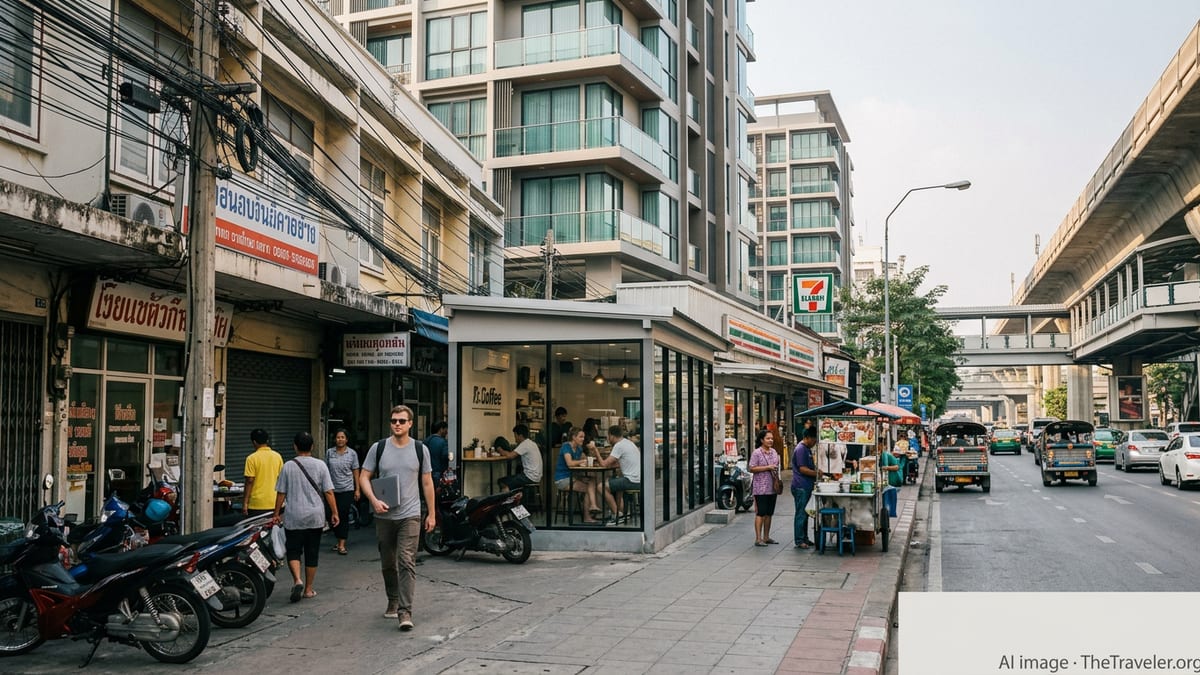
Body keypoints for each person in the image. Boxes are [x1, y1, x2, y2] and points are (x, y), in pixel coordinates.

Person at [358, 405, 436, 631]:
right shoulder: (378, 448)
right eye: (394, 421)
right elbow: (364, 477)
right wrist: (373, 500)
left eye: (402, 421)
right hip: (383, 515)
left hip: (410, 515)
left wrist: (431, 513)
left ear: (411, 424)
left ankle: (405, 611)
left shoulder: (421, 449)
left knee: (406, 561)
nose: (397, 424)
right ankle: (392, 598)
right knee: (387, 563)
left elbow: (427, 482)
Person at [274, 432, 338, 603]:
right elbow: (329, 492)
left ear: (295, 446)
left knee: (293, 550)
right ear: (312, 447)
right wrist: (335, 512)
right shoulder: (320, 465)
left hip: (294, 515)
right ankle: (308, 589)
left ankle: (297, 579)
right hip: (315, 516)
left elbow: (281, 492)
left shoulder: (288, 466)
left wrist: (276, 514)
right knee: (312, 551)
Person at [553, 427, 602, 524]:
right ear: (573, 437)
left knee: (592, 480)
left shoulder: (579, 448)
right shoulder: (566, 446)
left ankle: (593, 505)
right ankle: (588, 516)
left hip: (573, 477)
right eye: (581, 437)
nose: (583, 439)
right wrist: (582, 461)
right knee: (589, 488)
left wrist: (592, 451)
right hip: (562, 479)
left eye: (583, 437)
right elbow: (570, 463)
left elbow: (586, 458)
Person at [324, 428, 360, 555]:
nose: (340, 439)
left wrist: (357, 489)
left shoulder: (352, 454)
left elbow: (356, 471)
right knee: (330, 514)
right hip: (331, 490)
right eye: (338, 437)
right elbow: (325, 470)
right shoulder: (329, 453)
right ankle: (339, 537)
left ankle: (341, 544)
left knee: (343, 515)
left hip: (347, 489)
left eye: (342, 437)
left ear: (347, 439)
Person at [599, 425, 640, 520]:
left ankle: (617, 513)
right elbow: (620, 462)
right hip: (639, 479)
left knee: (601, 487)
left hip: (631, 481)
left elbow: (604, 464)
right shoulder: (628, 443)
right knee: (617, 486)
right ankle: (623, 513)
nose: (607, 439)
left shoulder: (619, 446)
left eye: (608, 436)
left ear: (612, 436)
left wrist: (595, 451)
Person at [749, 429, 782, 546]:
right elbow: (751, 468)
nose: (770, 440)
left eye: (771, 438)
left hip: (772, 486)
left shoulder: (774, 452)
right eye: (768, 438)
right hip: (760, 487)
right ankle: (758, 539)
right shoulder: (757, 453)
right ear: (762, 440)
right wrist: (767, 467)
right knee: (761, 513)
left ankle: (766, 537)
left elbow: (776, 467)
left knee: (769, 513)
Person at [243, 428, 283, 517]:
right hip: (275, 502)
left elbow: (250, 480)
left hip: (257, 505)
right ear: (267, 440)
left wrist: (245, 502)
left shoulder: (251, 458)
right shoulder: (277, 456)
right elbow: (281, 479)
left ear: (254, 442)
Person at [790, 426, 818, 550]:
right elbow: (803, 469)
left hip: (806, 485)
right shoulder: (801, 449)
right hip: (801, 486)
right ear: (807, 438)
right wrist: (817, 474)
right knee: (801, 514)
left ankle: (805, 538)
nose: (814, 443)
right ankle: (799, 539)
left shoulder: (806, 449)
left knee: (805, 513)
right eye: (814, 440)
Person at [497, 424, 542, 491]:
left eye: (515, 436)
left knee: (503, 481)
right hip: (537, 477)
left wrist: (499, 449)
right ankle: (515, 497)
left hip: (529, 477)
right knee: (514, 478)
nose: (515, 438)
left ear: (520, 436)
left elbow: (510, 456)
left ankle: (508, 500)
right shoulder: (532, 443)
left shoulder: (524, 444)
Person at [879, 440, 905, 518]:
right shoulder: (888, 455)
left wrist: (886, 468)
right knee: (890, 497)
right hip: (894, 482)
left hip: (894, 482)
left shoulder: (887, 455)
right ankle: (891, 512)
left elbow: (896, 467)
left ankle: (891, 512)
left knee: (890, 497)